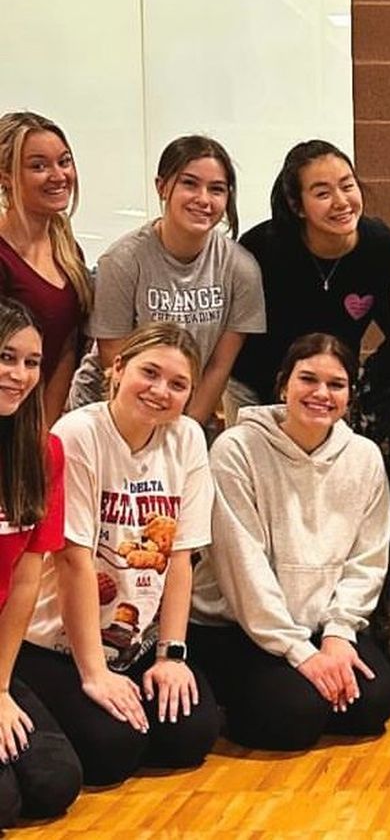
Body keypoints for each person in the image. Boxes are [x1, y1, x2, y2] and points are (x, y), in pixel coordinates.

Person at [16, 324, 220, 787]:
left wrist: (171, 656)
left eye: (178, 384)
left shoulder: (188, 438)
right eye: (150, 373)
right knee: (111, 749)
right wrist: (94, 673)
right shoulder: (77, 434)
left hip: (132, 641)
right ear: (119, 368)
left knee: (190, 735)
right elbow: (73, 562)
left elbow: (180, 559)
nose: (160, 391)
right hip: (57, 641)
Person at [191, 333, 390, 750]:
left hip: (317, 621)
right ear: (284, 385)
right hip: (237, 625)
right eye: (308, 379)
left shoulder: (364, 456)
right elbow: (242, 568)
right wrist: (300, 652)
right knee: (293, 717)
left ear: (349, 397)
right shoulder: (236, 449)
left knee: (373, 705)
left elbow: (368, 557)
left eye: (336, 384)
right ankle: (225, 697)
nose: (321, 393)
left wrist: (339, 634)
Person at [68, 135, 265, 426]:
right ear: (161, 186)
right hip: (110, 404)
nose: (203, 199)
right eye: (190, 184)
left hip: (180, 407)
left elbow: (218, 367)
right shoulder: (122, 261)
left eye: (216, 189)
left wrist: (184, 430)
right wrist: (147, 429)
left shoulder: (242, 268)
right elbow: (114, 357)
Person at [225, 140, 390, 424]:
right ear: (297, 205)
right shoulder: (261, 248)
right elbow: (233, 334)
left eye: (347, 186)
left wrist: (371, 379)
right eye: (323, 193)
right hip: (255, 389)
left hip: (326, 391)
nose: (341, 202)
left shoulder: (379, 245)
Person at [0, 299, 82, 824]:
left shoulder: (42, 451)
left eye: (32, 362)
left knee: (54, 781)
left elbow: (26, 580)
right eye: (6, 357)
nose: (20, 375)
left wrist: (0, 688)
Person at [0, 112, 93, 423]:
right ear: (5, 176)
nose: (58, 175)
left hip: (38, 420)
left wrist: (44, 431)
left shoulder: (68, 250)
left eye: (64, 162)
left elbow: (67, 346)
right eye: (39, 166)